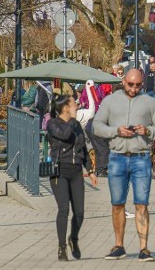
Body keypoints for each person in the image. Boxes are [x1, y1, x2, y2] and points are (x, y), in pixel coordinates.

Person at [92, 69, 155, 262]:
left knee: (141, 204)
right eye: (130, 84)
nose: (134, 88)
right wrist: (116, 131)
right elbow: (96, 126)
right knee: (117, 204)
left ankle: (144, 249)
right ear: (124, 81)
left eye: (138, 85)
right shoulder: (110, 101)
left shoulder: (150, 102)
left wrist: (148, 130)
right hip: (117, 157)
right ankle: (119, 246)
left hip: (141, 158)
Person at [47, 94, 98, 261]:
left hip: (76, 171)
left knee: (80, 213)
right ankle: (62, 247)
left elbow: (82, 148)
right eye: (73, 104)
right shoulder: (53, 124)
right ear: (65, 108)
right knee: (64, 209)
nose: (77, 106)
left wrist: (90, 171)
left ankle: (73, 239)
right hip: (59, 170)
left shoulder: (76, 124)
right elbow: (64, 136)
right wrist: (71, 120)